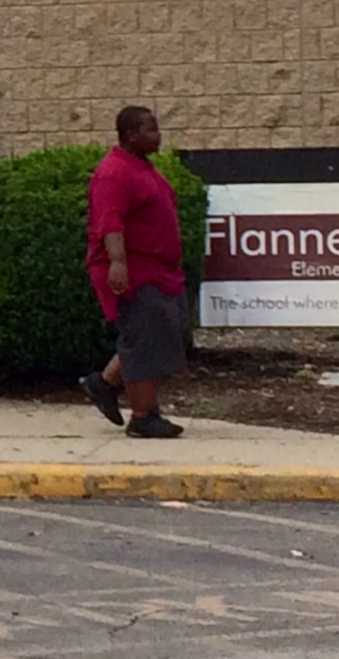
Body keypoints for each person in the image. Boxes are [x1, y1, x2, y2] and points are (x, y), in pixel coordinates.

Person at [80, 105, 187, 439]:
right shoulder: (114, 172)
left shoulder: (140, 167)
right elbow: (109, 222)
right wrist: (118, 262)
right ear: (130, 134)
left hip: (157, 269)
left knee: (153, 334)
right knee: (141, 338)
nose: (158, 135)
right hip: (134, 270)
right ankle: (143, 417)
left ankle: (103, 383)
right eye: (151, 129)